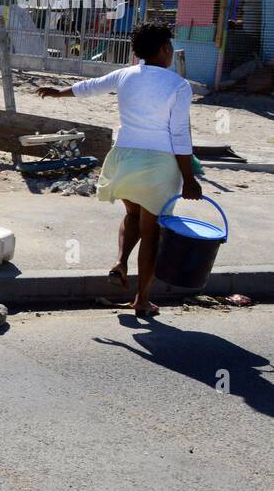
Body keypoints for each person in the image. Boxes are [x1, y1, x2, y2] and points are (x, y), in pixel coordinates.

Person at [37, 21, 202, 317]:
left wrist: (57, 92)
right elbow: (180, 135)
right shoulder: (179, 86)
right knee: (152, 233)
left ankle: (121, 262)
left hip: (124, 158)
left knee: (131, 215)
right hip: (159, 164)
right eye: (171, 48)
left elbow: (90, 87)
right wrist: (189, 179)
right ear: (166, 49)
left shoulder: (125, 75)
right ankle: (142, 299)